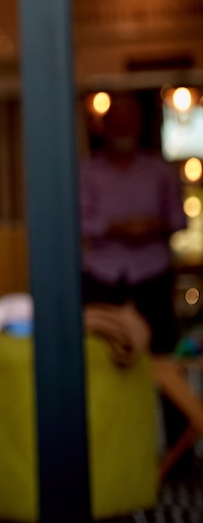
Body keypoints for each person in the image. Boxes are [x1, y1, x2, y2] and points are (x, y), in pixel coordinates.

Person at [80, 92, 187, 354]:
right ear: (104, 128)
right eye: (117, 123)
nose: (123, 130)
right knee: (100, 348)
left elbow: (179, 220)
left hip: (152, 272)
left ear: (139, 126)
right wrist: (115, 228)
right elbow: (78, 223)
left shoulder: (159, 171)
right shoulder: (88, 173)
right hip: (102, 275)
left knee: (159, 349)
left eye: (129, 123)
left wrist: (152, 226)